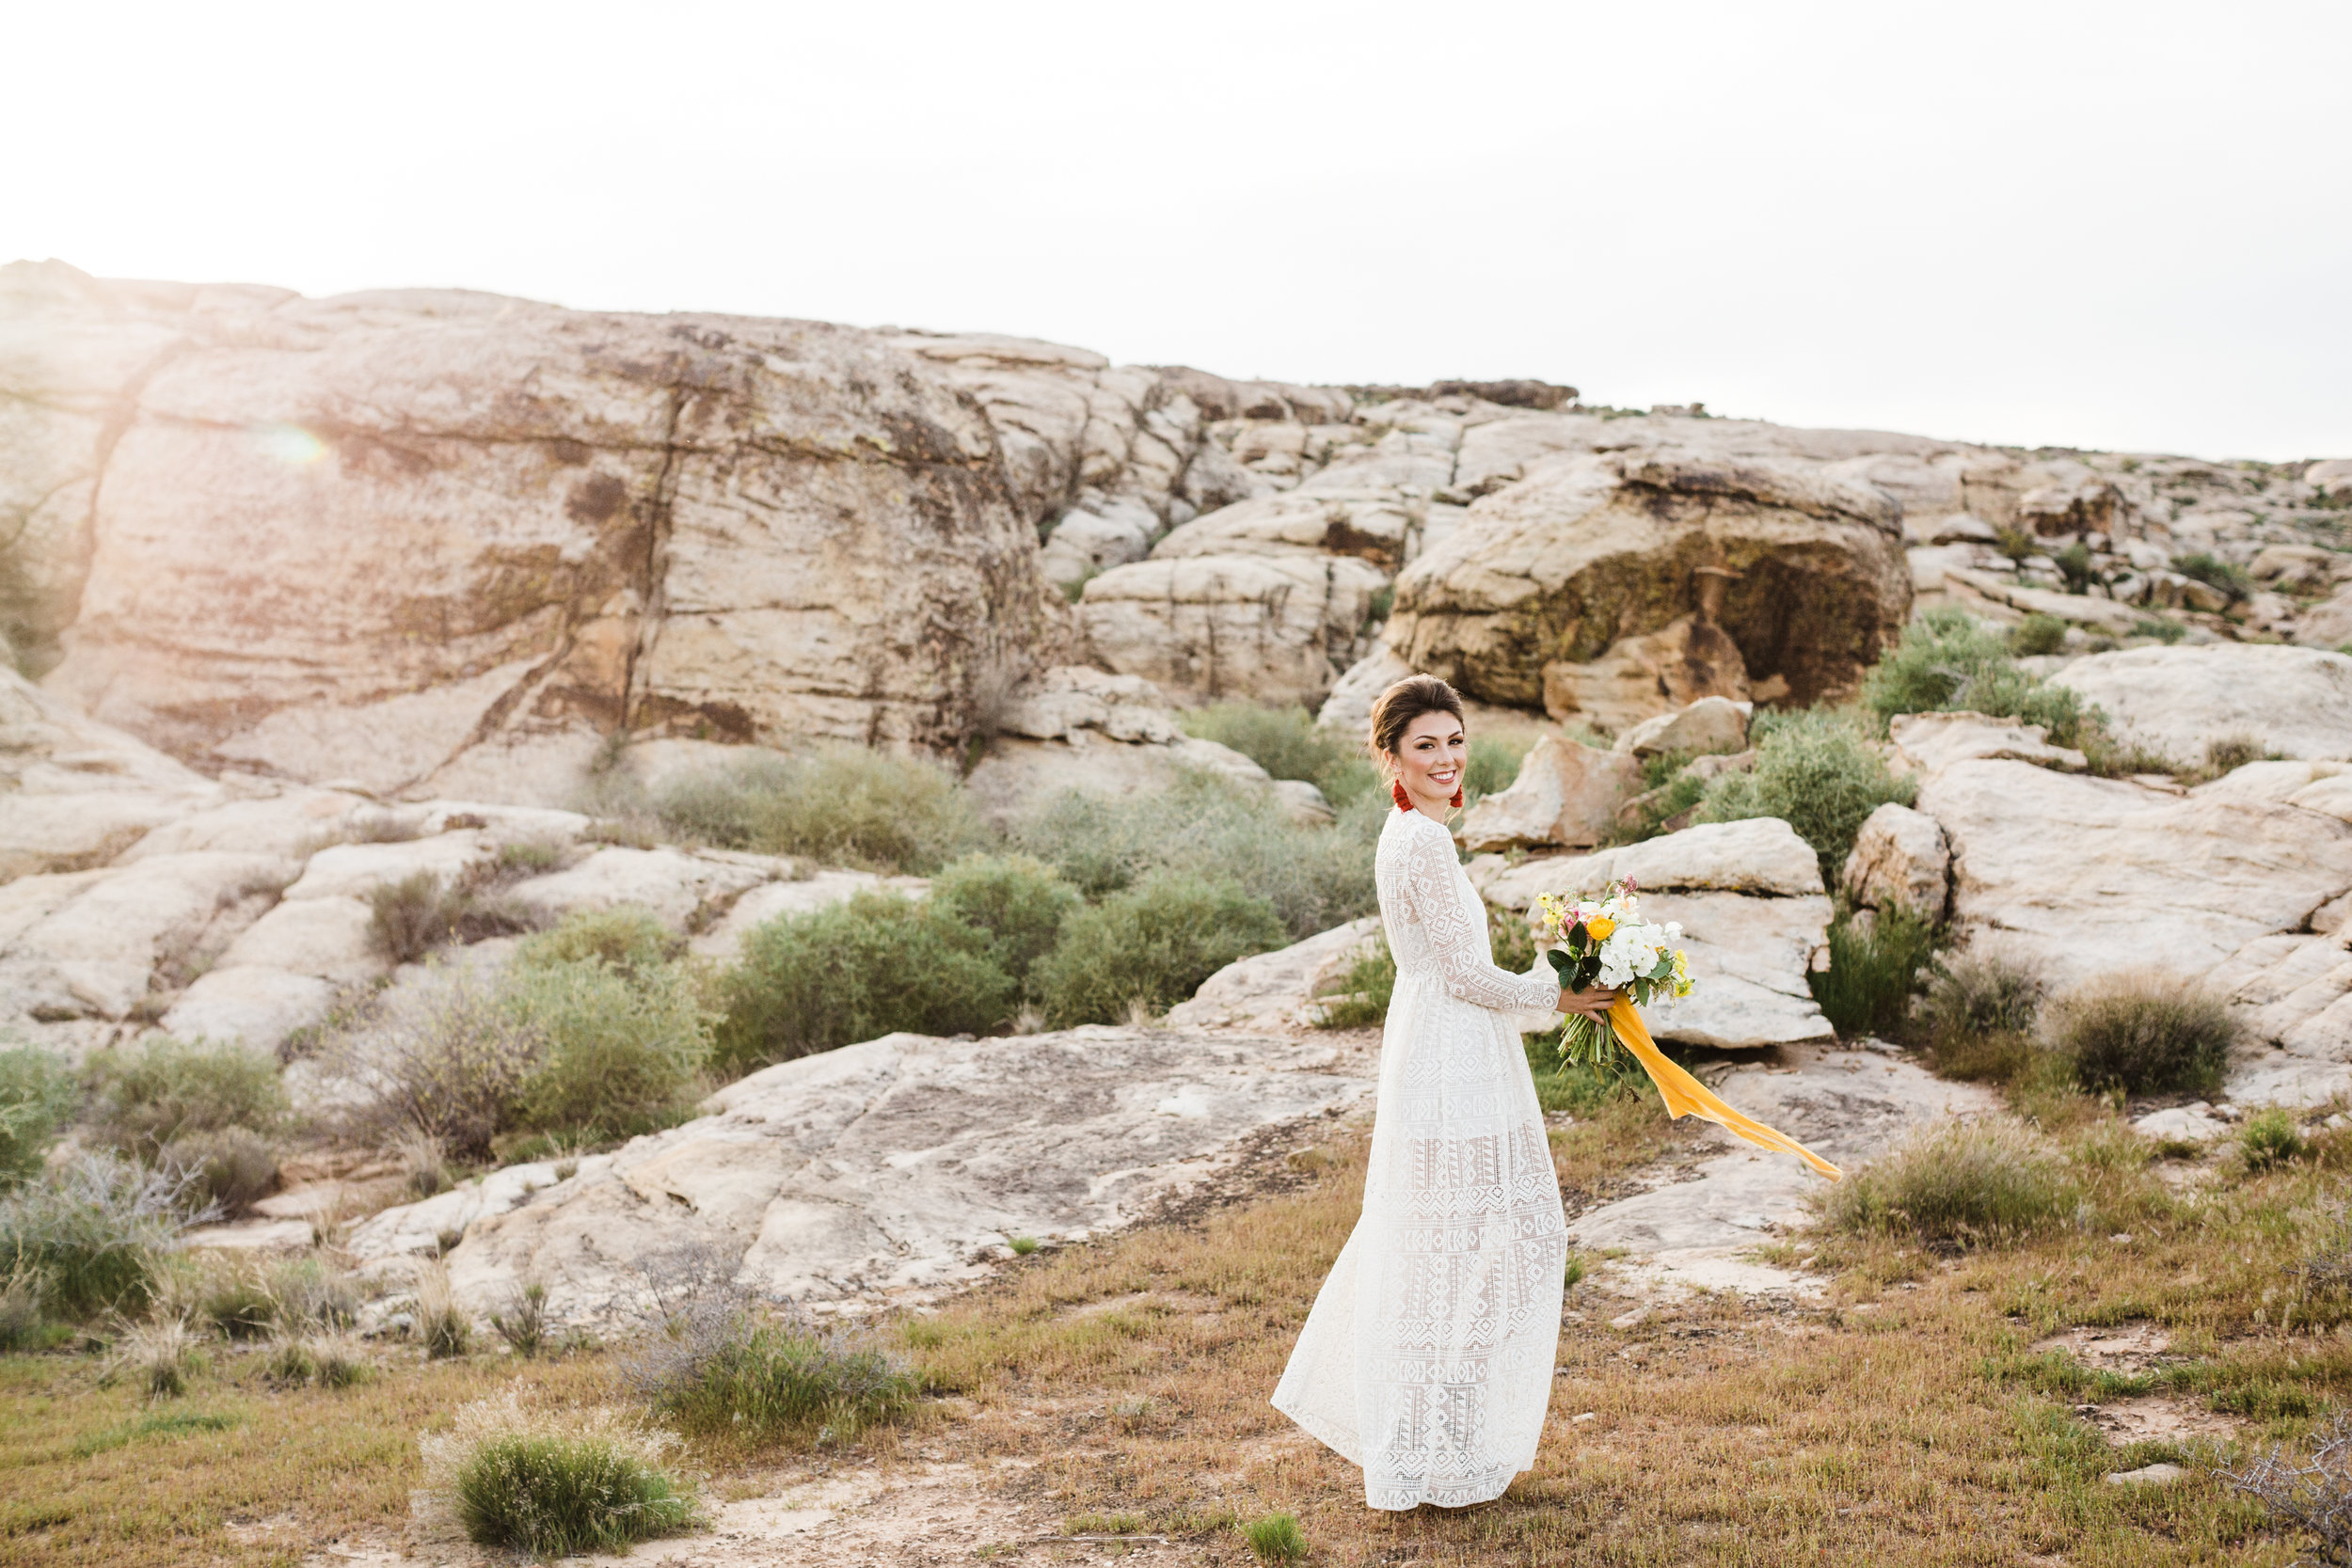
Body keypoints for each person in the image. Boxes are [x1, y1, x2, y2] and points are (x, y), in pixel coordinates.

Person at [1270, 673, 1618, 1511]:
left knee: (1454, 1249)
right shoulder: (1421, 842)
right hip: (1449, 1053)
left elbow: (1454, 968)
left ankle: (1436, 1438)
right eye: (1425, 744)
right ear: (1390, 754)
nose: (1446, 757)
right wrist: (1558, 992)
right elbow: (1463, 972)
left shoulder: (1416, 831)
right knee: (1467, 1251)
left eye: (1455, 740)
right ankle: (1428, 1443)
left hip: (1447, 1040)